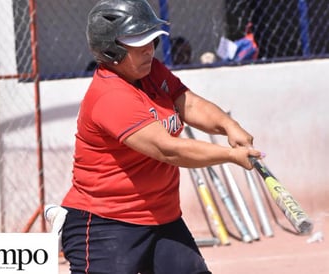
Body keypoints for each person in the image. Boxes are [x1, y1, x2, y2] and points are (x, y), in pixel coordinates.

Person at [60, 0, 263, 273]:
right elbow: (167, 149)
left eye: (151, 39)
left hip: (162, 219)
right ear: (111, 49)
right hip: (105, 225)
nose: (149, 49)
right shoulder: (111, 96)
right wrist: (230, 155)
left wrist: (228, 125)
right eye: (138, 41)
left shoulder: (151, 71)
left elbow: (188, 104)